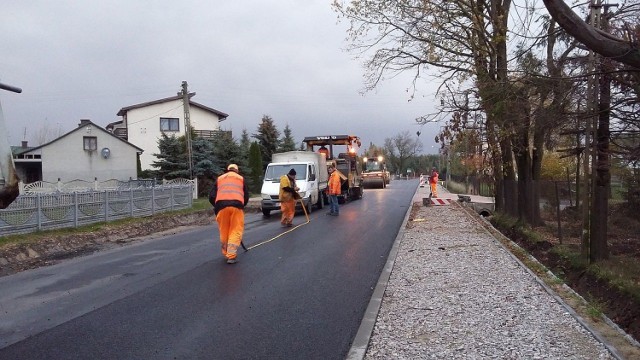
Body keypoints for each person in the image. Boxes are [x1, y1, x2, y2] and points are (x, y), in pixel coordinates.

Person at [208, 164, 249, 264]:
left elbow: (211, 196)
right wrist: (242, 205)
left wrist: (217, 205)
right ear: (237, 170)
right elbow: (246, 196)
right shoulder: (240, 178)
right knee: (235, 230)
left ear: (228, 170)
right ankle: (231, 256)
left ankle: (226, 252)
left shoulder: (220, 179)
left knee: (224, 231)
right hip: (236, 206)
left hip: (221, 207)